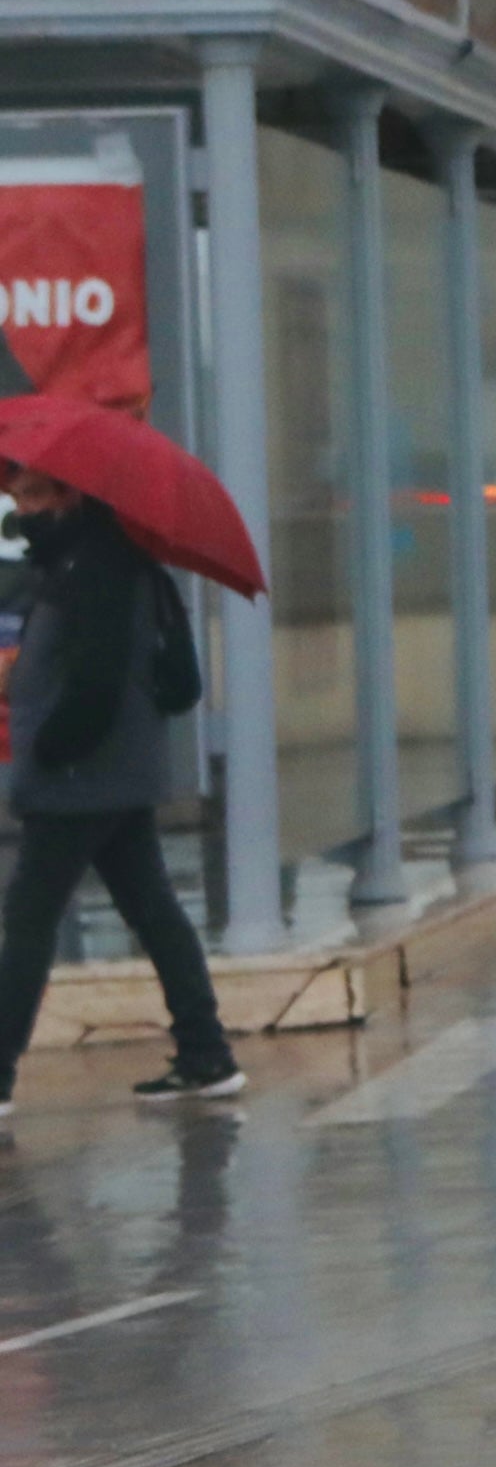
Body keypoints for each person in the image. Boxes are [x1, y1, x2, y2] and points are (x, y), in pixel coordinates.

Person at [0, 464, 238, 1111]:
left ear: (71, 493)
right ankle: (206, 1052)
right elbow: (176, 682)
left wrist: (51, 747)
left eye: (30, 496)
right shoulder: (119, 564)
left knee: (26, 920)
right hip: (118, 775)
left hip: (81, 778)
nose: (20, 510)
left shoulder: (92, 570)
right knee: (152, 908)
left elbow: (95, 683)